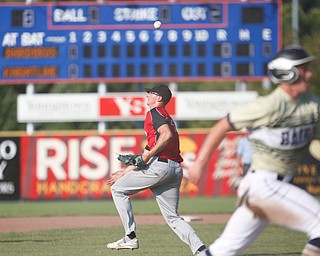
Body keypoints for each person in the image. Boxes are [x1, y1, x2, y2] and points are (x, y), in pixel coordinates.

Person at [188, 45, 320, 256]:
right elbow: (222, 125)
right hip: (264, 185)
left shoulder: (312, 105)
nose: (309, 73)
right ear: (287, 72)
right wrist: (199, 164)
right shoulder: (269, 105)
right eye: (303, 68)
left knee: (222, 251)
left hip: (272, 187)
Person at [106, 84, 206, 255]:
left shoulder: (155, 112)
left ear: (159, 98)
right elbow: (148, 151)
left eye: (151, 93)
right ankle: (201, 250)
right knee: (173, 218)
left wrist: (146, 157)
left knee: (117, 190)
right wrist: (124, 172)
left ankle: (130, 237)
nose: (147, 96)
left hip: (160, 166)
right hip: (174, 168)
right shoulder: (165, 116)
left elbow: (165, 136)